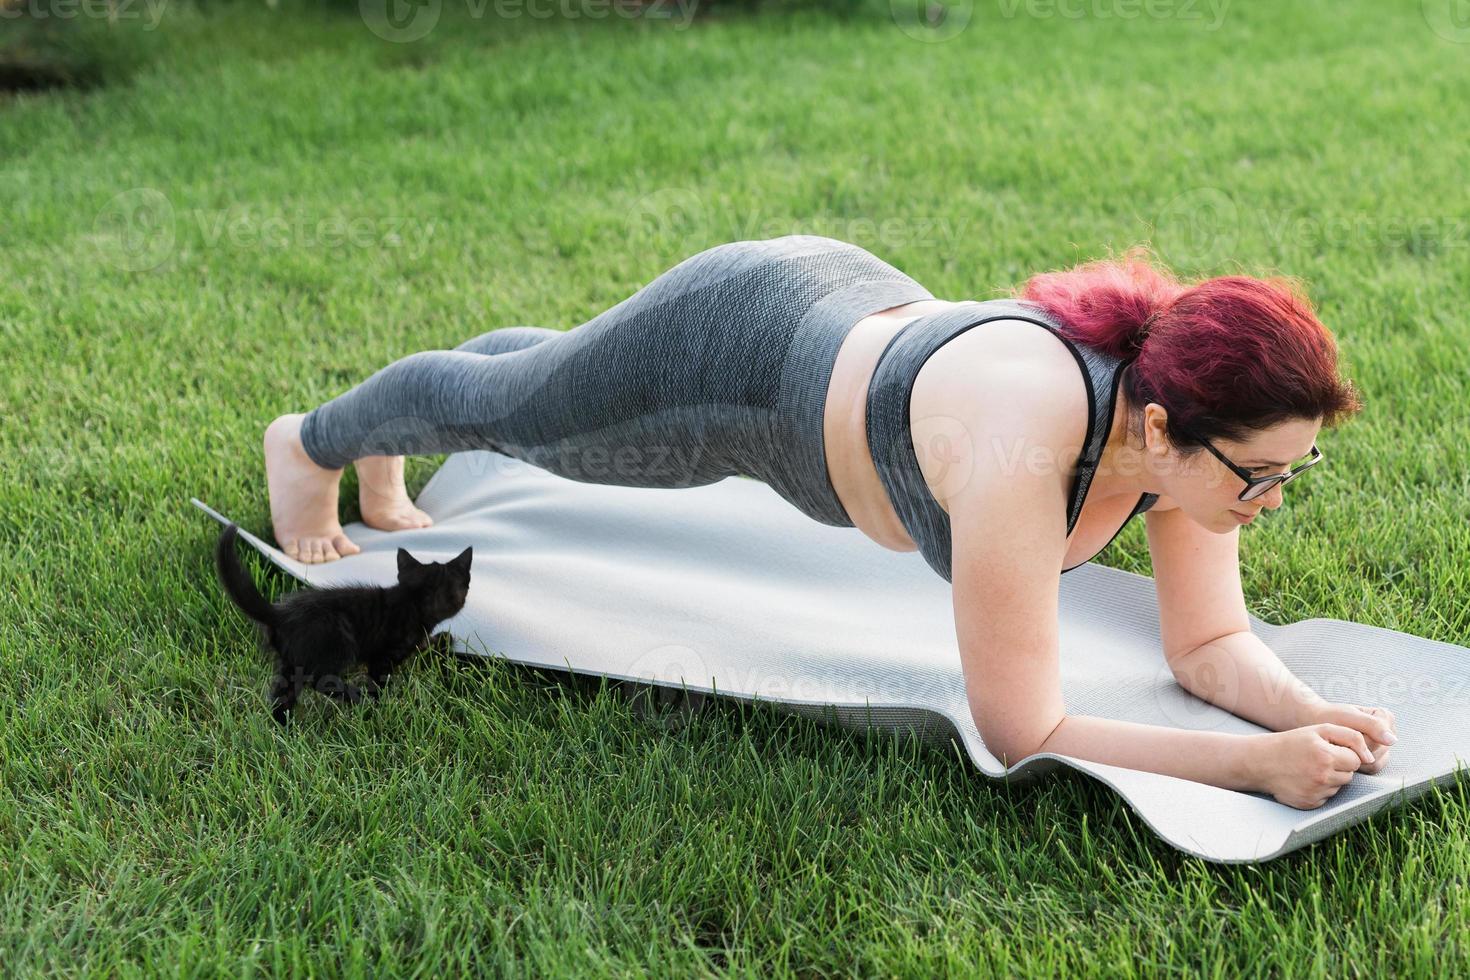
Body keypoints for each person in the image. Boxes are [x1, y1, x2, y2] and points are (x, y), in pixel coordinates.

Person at [262, 235, 1396, 808]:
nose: (1272, 499)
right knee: (532, 420)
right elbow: (1021, 727)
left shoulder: (1195, 443)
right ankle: (314, 441)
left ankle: (531, 375)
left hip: (849, 312)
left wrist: (1310, 711)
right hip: (747, 354)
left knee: (553, 390)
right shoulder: (1025, 440)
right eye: (1258, 476)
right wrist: (1252, 767)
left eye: (1295, 470)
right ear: (1158, 427)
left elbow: (1204, 645)